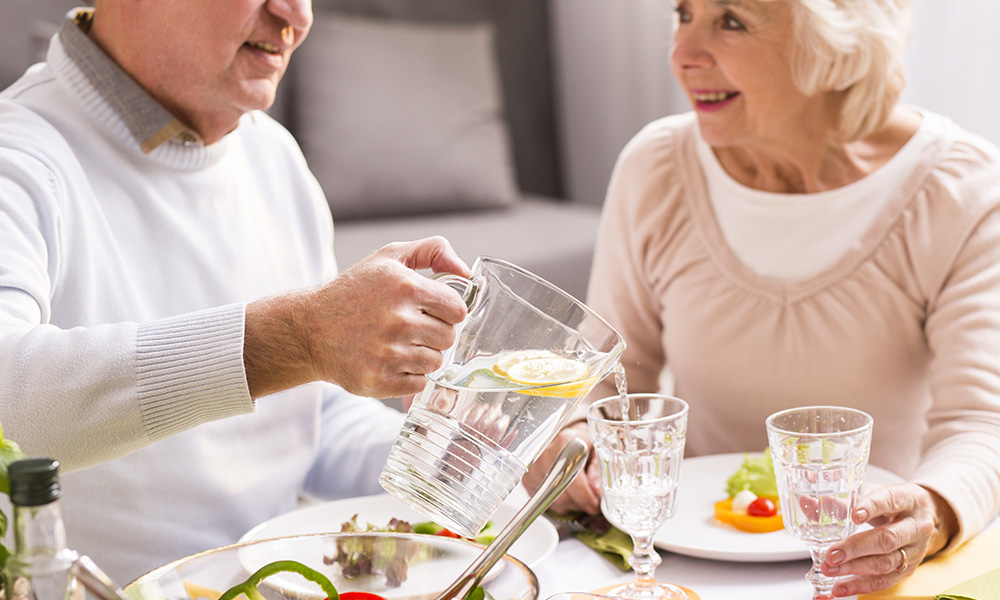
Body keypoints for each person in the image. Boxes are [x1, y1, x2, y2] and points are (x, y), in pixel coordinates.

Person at [525, 0, 1000, 596]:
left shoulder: (961, 189)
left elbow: (980, 424)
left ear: (836, 45)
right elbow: (606, 376)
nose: (681, 55)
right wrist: (577, 436)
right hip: (680, 565)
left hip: (865, 571)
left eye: (732, 21)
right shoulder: (656, 166)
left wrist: (929, 513)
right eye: (683, 14)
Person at [0, 0, 472, 584]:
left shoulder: (274, 156)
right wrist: (298, 338)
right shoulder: (17, 158)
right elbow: (7, 399)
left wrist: (460, 461)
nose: (296, 15)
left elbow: (312, 424)